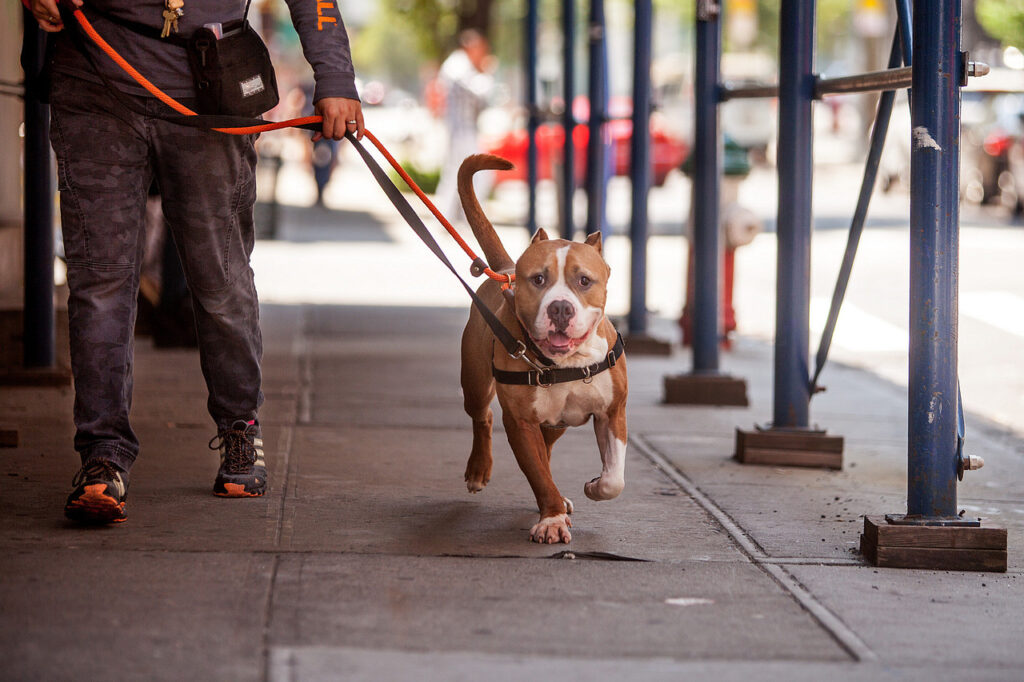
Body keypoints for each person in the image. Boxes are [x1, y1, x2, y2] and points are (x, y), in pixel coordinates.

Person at [28, 0, 364, 524]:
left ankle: (239, 430)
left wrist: (336, 76)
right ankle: (102, 456)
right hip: (95, 75)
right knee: (99, 283)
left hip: (211, 81)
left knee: (221, 278)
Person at [432, 29, 495, 222]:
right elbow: (480, 95)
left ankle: (452, 218)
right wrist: (487, 75)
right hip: (461, 129)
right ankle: (454, 219)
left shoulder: (459, 64)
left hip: (463, 129)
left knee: (459, 175)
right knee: (468, 175)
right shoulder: (458, 64)